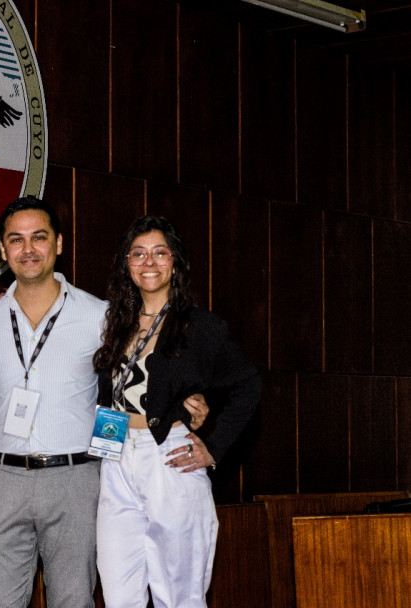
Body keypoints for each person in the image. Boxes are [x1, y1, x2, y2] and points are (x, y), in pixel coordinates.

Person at [0, 196, 209, 608]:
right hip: (4, 480)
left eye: (39, 237)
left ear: (58, 244)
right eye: (16, 240)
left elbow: (146, 376)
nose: (28, 249)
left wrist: (191, 403)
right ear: (3, 251)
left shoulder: (101, 316)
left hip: (75, 479)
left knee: (74, 601)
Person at [93, 215, 261, 608]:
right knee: (118, 593)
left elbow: (248, 386)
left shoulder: (200, 327)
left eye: (159, 253)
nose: (148, 262)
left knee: (179, 595)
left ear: (175, 262)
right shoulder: (114, 322)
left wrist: (214, 447)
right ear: (126, 264)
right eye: (138, 254)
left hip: (169, 457)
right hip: (114, 459)